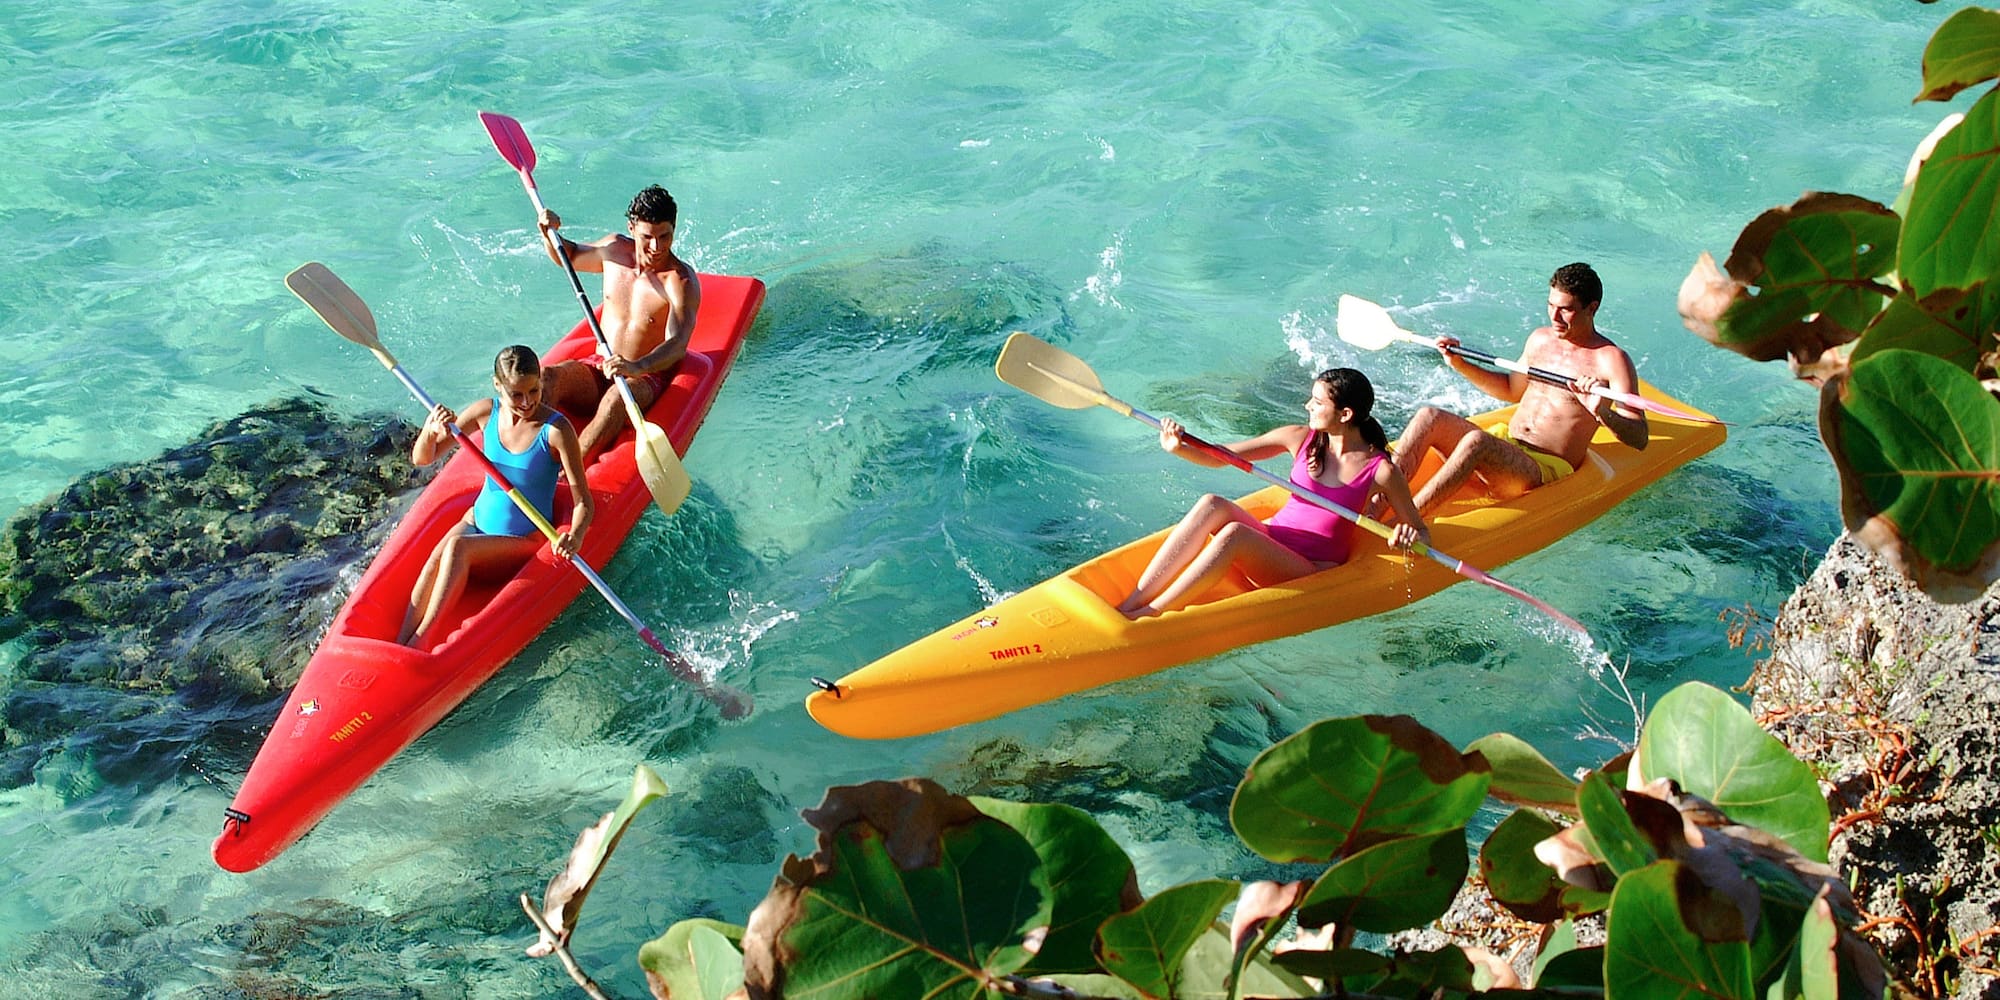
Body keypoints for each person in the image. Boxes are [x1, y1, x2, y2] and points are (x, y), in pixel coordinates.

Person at [1116, 368, 1428, 619]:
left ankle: (1154, 614)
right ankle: (1134, 601)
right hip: (1273, 539)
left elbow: (1420, 531)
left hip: (1309, 567)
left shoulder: (1380, 470)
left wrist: (1407, 537)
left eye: (1317, 403)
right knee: (1211, 503)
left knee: (1235, 534)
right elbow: (1222, 455)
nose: (1308, 405)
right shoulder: (1300, 438)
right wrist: (1179, 448)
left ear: (1345, 414)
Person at [1392, 262, 1648, 515]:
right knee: (1429, 416)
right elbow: (1511, 390)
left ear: (1592, 308)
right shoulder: (1540, 339)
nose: (1554, 317)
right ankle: (1374, 502)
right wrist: (1460, 364)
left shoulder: (1611, 360)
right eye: (1551, 306)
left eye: (1565, 310)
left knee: (1477, 441)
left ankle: (1409, 518)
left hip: (1542, 467)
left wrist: (1601, 412)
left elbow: (1639, 437)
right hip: (1508, 444)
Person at [400, 346, 593, 647]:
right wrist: (430, 430)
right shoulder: (483, 413)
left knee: (457, 548)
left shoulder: (555, 431)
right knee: (438, 555)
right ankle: (400, 643)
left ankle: (419, 646)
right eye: (517, 394)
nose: (527, 402)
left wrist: (575, 536)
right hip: (476, 521)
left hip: (522, 540)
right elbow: (423, 458)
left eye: (534, 390)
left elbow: (583, 501)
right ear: (497, 386)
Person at [535, 184, 702, 456]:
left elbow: (678, 344)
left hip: (645, 377)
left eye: (665, 236)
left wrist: (637, 366)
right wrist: (548, 234)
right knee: (547, 378)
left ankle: (567, 475)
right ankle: (532, 457)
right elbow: (570, 256)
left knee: (615, 400)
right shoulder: (613, 250)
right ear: (632, 227)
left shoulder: (679, 281)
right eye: (648, 236)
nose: (656, 246)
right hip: (600, 366)